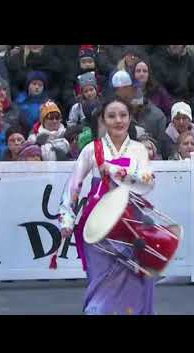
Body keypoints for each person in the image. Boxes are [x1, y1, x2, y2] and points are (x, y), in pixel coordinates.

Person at [58, 96, 155, 315]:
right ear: (103, 120)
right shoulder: (92, 149)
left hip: (133, 223)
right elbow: (73, 185)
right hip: (99, 225)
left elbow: (148, 181)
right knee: (102, 284)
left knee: (139, 281)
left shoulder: (139, 149)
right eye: (111, 116)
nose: (118, 120)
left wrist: (115, 171)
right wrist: (66, 217)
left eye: (123, 115)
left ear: (130, 118)